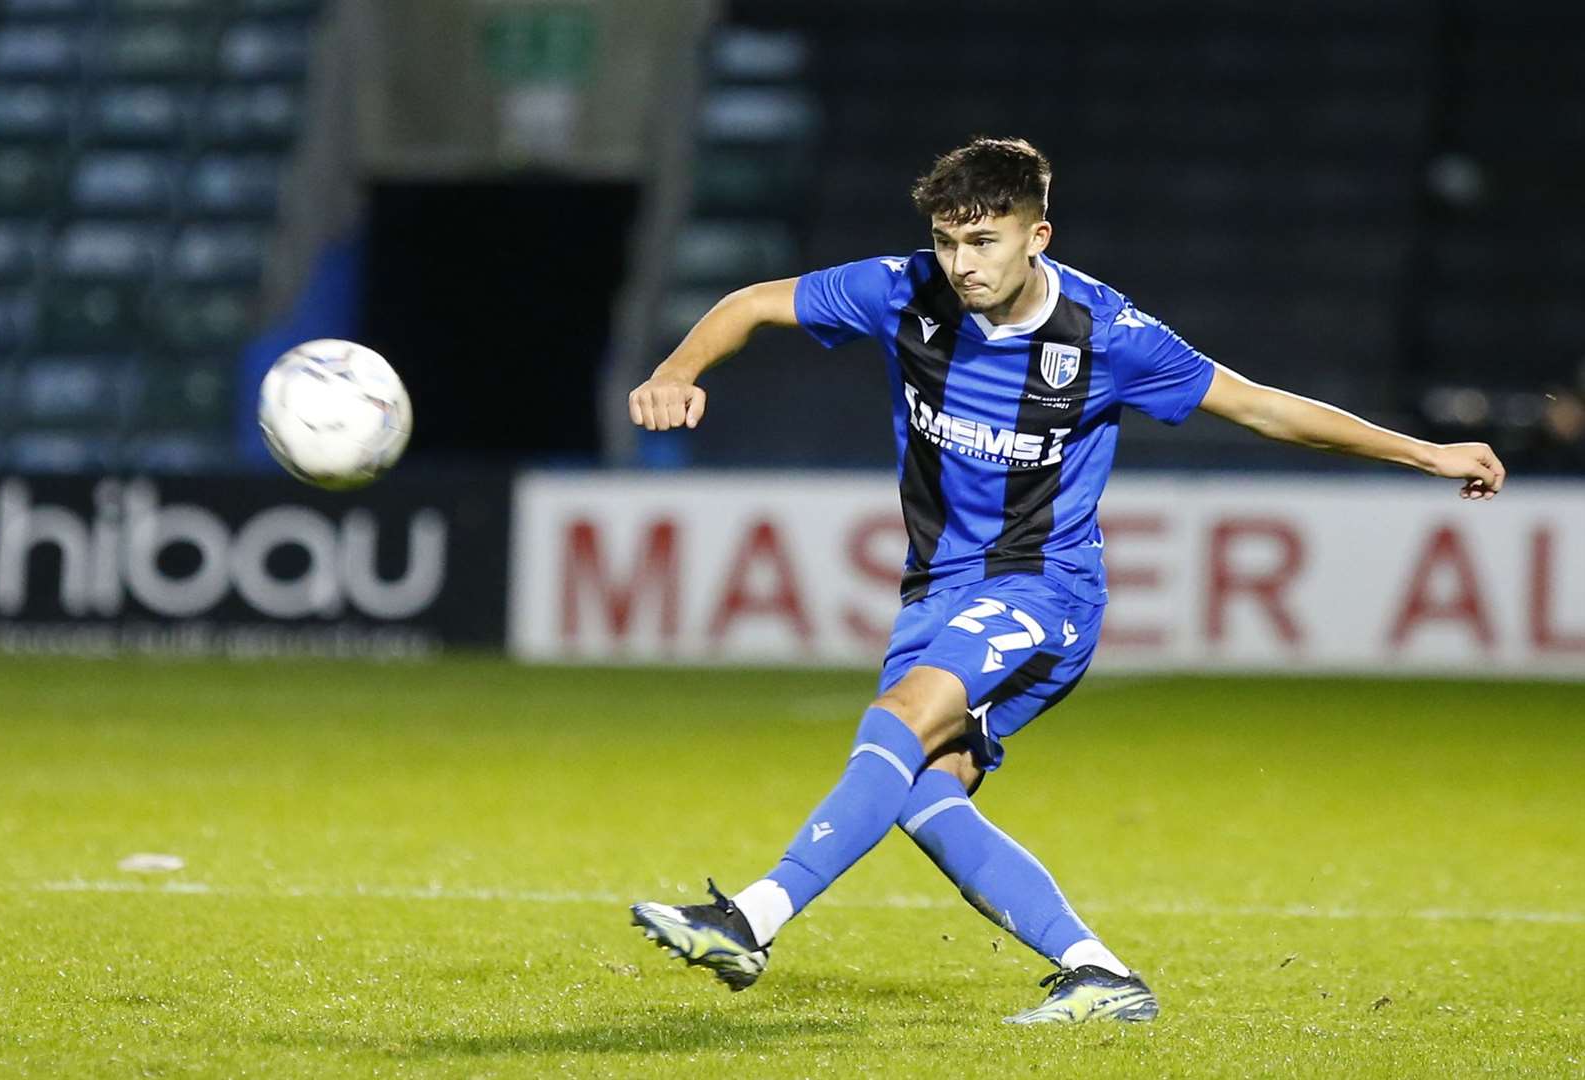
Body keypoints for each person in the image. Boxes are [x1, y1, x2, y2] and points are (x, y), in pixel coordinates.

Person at [625, 137, 1505, 1024]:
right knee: (920, 791)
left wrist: (1423, 452)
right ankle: (1101, 975)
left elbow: (1264, 407)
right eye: (947, 242)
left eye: (985, 243)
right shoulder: (902, 290)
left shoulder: (1106, 336)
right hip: (934, 587)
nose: (962, 265)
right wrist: (675, 370)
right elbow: (751, 303)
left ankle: (750, 918)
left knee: (896, 722)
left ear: (1037, 234)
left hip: (1046, 586)